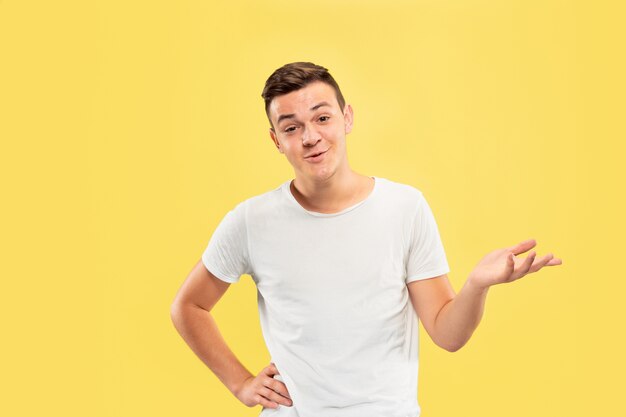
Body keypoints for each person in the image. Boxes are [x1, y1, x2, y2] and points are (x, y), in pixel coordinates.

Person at [170, 62, 563, 417]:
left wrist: (477, 285)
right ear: (276, 140)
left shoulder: (405, 208)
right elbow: (188, 306)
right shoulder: (251, 221)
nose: (311, 137)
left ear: (347, 118)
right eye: (291, 127)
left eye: (322, 118)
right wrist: (240, 383)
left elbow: (448, 334)